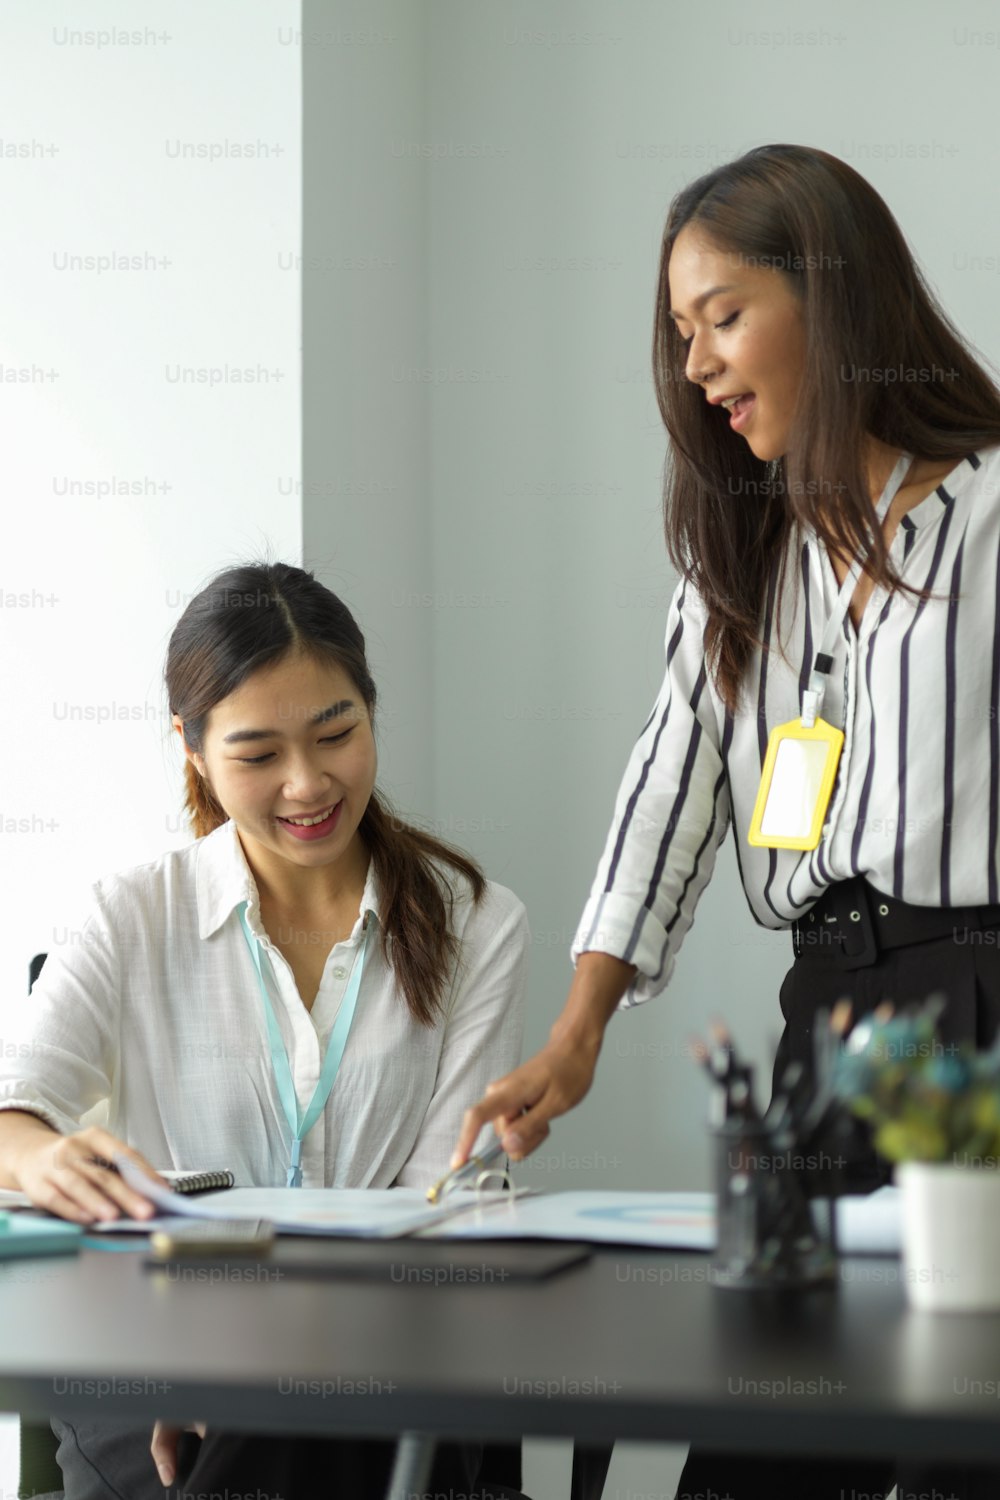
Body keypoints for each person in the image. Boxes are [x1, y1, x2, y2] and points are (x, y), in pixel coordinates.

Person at [451, 142, 1000, 1500]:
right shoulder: (743, 552)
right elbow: (671, 782)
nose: (695, 366)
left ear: (835, 294)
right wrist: (574, 1035)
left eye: (724, 316)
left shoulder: (991, 515)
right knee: (762, 1439)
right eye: (680, 332)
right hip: (828, 1018)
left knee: (960, 1439)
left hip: (983, 1015)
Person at [0, 560, 529, 1499]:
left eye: (337, 734)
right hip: (151, 1356)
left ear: (371, 711)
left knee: (293, 1421)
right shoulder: (131, 917)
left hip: (381, 1357)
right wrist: (41, 1160)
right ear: (192, 749)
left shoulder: (477, 925)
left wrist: (256, 1368)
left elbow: (442, 1205)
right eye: (256, 755)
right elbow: (12, 1113)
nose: (306, 784)